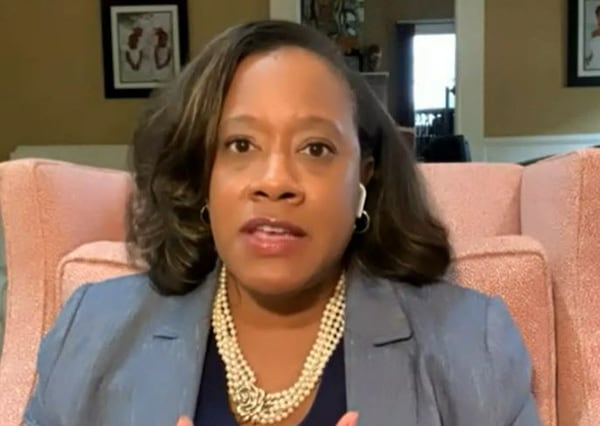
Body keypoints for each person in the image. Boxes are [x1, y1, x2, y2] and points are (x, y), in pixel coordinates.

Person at [23, 20, 540, 425]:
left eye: (315, 148)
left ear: (364, 174)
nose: (274, 182)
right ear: (203, 172)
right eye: (240, 145)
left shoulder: (473, 344)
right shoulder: (88, 333)